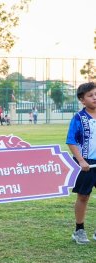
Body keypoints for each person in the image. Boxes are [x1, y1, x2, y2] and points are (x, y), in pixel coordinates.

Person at [66, 82, 96, 244]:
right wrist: (81, 160)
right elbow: (71, 141)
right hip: (86, 165)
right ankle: (79, 230)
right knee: (83, 196)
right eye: (90, 95)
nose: (95, 98)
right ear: (82, 100)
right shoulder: (78, 118)